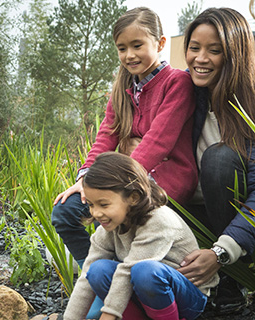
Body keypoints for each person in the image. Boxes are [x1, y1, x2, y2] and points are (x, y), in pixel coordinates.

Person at [51, 7, 197, 317]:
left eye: (137, 45)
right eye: (122, 48)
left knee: (125, 211)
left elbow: (158, 141)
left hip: (166, 180)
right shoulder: (123, 88)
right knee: (66, 212)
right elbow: (107, 134)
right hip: (127, 177)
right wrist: (86, 180)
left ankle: (121, 289)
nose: (129, 55)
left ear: (159, 43)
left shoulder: (177, 83)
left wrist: (120, 179)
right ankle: (100, 281)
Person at [63, 152, 218, 320]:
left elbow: (128, 270)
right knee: (97, 270)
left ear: (133, 198)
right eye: (92, 205)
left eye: (104, 204)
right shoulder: (108, 229)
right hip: (142, 294)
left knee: (145, 271)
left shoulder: (159, 220)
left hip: (187, 297)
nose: (96, 213)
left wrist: (108, 315)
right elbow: (86, 278)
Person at [177, 7, 255, 314]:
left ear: (234, 55)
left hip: (240, 233)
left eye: (214, 51)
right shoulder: (180, 93)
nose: (200, 59)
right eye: (194, 48)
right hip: (192, 218)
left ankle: (230, 281)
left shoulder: (249, 109)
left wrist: (221, 251)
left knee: (219, 159)